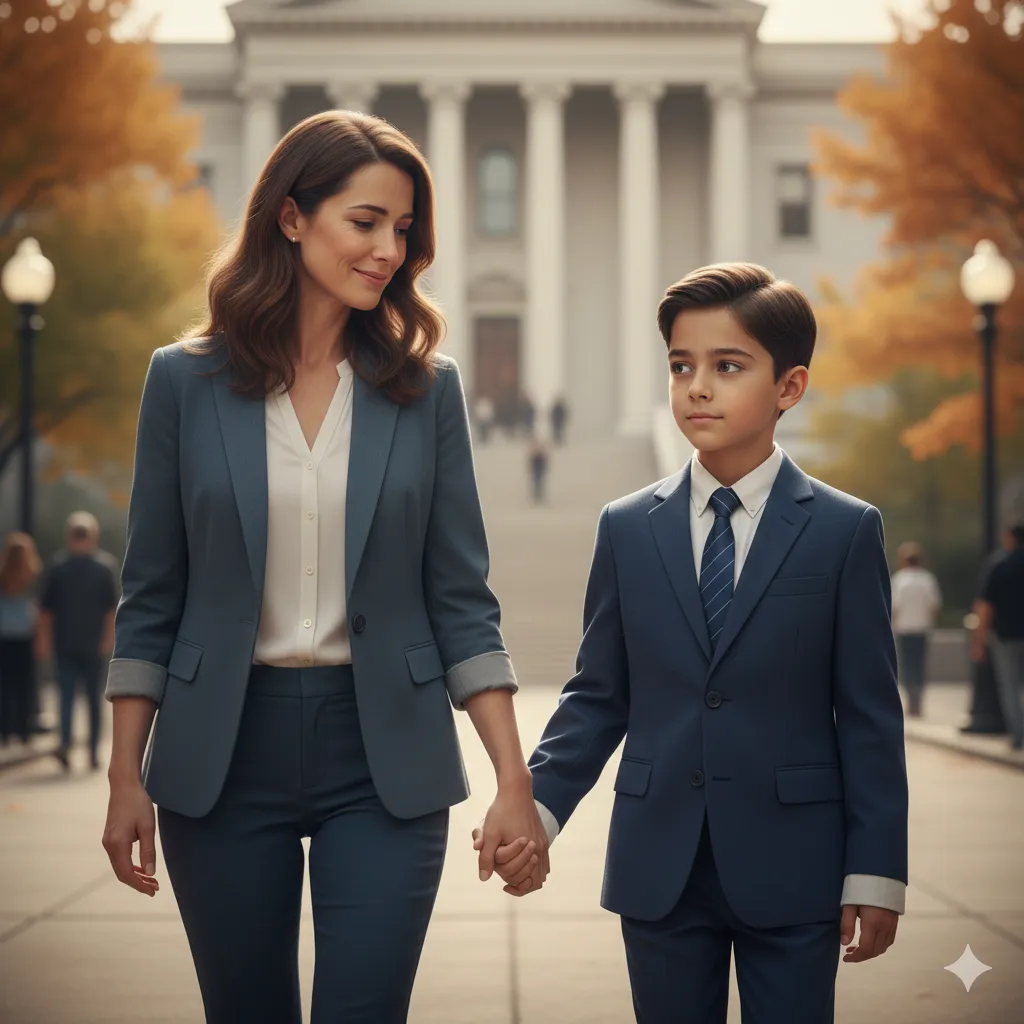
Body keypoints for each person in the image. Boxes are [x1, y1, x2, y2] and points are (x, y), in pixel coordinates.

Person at [100, 110, 547, 1024]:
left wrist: (514, 780)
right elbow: (152, 595)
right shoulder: (181, 383)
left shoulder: (428, 389)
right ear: (293, 218)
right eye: (366, 221)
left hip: (383, 754)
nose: (389, 248)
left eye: (404, 229)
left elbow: (462, 598)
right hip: (220, 755)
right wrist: (123, 775)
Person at [482, 264, 908, 1023]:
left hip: (796, 866)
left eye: (727, 367)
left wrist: (875, 872)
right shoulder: (626, 527)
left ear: (789, 386)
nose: (697, 387)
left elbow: (871, 717)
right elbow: (597, 695)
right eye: (682, 367)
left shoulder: (845, 531)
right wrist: (537, 808)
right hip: (660, 866)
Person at [37, 512, 118, 770]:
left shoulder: (59, 566)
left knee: (77, 699)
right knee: (83, 700)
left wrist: (108, 639)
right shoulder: (101, 567)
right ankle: (79, 749)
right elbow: (47, 611)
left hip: (77, 644)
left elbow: (109, 609)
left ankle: (76, 747)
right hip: (83, 644)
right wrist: (108, 640)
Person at [974, 522, 1024, 750]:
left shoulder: (1000, 565)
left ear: (1010, 538)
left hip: (1005, 637)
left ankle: (1017, 736)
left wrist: (979, 641)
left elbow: (984, 607)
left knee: (1010, 687)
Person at [890, 541, 941, 717]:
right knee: (919, 664)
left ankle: (910, 700)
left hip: (904, 629)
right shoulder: (927, 579)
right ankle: (918, 700)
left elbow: (894, 607)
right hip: (922, 628)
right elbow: (934, 606)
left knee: (906, 665)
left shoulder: (899, 579)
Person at [0, 532, 42, 746]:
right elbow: (38, 611)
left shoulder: (2, 575)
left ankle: (5, 731)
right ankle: (24, 731)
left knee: (5, 685)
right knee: (25, 685)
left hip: (5, 636)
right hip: (25, 636)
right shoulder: (33, 576)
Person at [528, 437, 549, 505]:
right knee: (536, 483)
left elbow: (545, 464)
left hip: (540, 470)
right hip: (536, 470)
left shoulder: (542, 456)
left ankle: (540, 496)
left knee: (540, 483)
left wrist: (545, 469)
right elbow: (531, 464)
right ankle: (536, 496)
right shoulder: (533, 455)